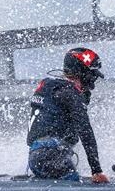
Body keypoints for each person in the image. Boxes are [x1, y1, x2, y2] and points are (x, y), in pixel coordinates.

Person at [27, 47, 109, 183]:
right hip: (52, 155)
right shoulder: (69, 93)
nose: (93, 81)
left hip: (37, 155)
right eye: (92, 75)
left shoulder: (51, 87)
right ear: (82, 73)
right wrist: (96, 170)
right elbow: (85, 131)